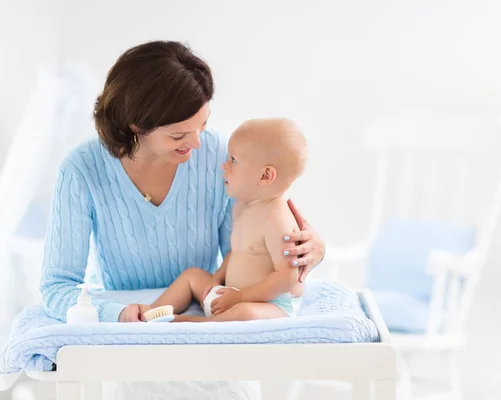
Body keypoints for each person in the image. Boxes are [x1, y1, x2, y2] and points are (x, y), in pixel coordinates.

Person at [39, 40, 325, 325]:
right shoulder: (82, 171)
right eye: (179, 136)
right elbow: (57, 287)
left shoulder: (221, 158)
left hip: (207, 320)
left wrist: (309, 252)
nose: (197, 143)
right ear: (136, 126)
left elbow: (245, 256)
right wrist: (116, 314)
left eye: (202, 125)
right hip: (131, 327)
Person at [146, 118, 308, 322]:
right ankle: (151, 313)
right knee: (192, 276)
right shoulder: (242, 206)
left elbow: (287, 278)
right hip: (231, 295)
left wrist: (241, 297)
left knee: (245, 313)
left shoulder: (278, 219)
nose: (224, 166)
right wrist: (216, 279)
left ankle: (197, 323)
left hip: (269, 305)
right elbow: (237, 252)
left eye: (233, 160)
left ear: (265, 175)